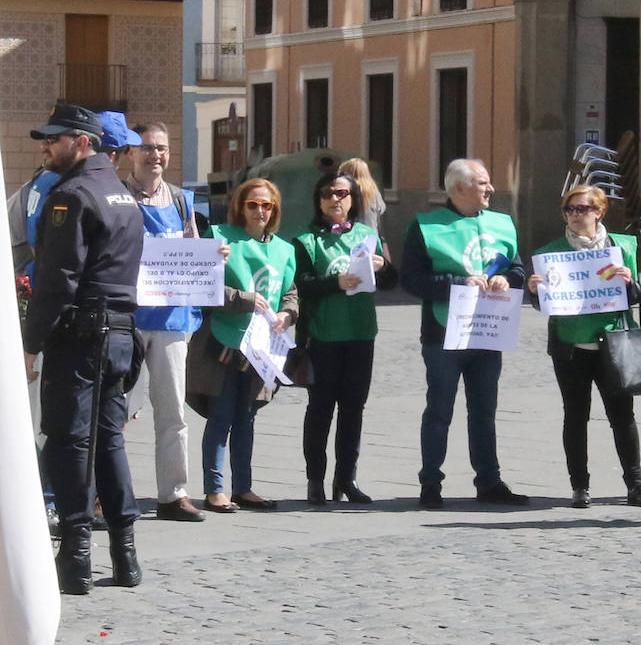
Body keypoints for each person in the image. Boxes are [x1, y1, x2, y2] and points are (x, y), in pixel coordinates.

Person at [23, 104, 145, 593]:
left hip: (79, 336)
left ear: (82, 142)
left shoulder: (70, 196)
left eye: (53, 138)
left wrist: (29, 345)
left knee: (68, 440)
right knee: (109, 441)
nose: (44, 147)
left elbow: (56, 281)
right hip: (118, 334)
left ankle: (74, 557)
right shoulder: (121, 194)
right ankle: (125, 554)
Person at [400, 158, 529, 509]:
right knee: (439, 410)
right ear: (459, 188)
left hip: (489, 331)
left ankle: (489, 480)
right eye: (483, 183)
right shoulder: (425, 226)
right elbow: (410, 279)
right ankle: (430, 483)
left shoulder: (502, 223)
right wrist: (456, 283)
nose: (490, 189)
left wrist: (510, 279)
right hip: (444, 334)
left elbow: (517, 267)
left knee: (484, 411)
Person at [527, 185, 641, 509]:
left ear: (599, 211)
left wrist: (630, 282)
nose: (574, 215)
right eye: (569, 210)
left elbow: (636, 298)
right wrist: (534, 290)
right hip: (570, 346)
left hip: (612, 344)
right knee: (575, 416)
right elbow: (544, 305)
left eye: (581, 209)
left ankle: (635, 484)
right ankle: (579, 486)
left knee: (622, 416)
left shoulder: (620, 247)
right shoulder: (552, 252)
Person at [186, 178, 298, 513]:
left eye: (267, 205)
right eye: (253, 204)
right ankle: (214, 489)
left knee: (247, 417)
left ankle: (244, 488)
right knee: (221, 416)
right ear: (241, 206)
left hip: (262, 347)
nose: (261, 211)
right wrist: (244, 299)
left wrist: (287, 314)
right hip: (224, 341)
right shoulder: (220, 237)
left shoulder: (284, 249)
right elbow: (202, 285)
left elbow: (290, 292)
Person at [294, 172, 397, 505]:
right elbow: (301, 285)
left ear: (353, 200)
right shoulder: (306, 240)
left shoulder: (367, 235)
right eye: (327, 193)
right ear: (318, 200)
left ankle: (346, 478)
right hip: (323, 336)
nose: (334, 199)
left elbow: (394, 280)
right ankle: (315, 480)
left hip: (360, 333)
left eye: (341, 193)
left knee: (354, 409)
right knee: (320, 409)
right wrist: (334, 283)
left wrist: (382, 268)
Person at [124, 121, 208, 522]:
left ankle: (173, 494)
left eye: (162, 148)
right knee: (116, 411)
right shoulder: (117, 197)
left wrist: (213, 258)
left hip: (173, 319)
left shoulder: (181, 202)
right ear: (130, 153)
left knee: (173, 411)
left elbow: (193, 249)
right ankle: (103, 494)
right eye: (147, 148)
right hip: (128, 319)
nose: (155, 155)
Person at [338, 158, 387, 233]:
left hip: (353, 236)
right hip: (371, 235)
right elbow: (380, 210)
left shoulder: (349, 190)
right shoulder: (373, 190)